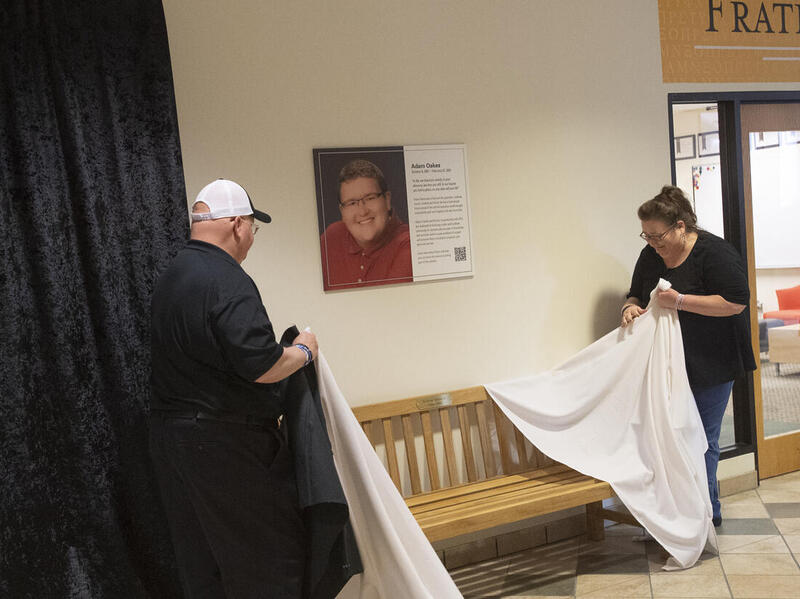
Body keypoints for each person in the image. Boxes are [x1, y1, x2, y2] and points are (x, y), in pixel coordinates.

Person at [149, 179, 318, 598]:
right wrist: (302, 352)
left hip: (173, 441)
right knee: (270, 563)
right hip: (226, 444)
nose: (251, 240)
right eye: (253, 229)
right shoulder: (227, 279)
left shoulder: (171, 276)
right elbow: (262, 365)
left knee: (205, 567)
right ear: (238, 224)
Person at [621, 185, 756, 527]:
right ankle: (675, 514)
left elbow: (735, 302)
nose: (653, 243)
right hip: (667, 362)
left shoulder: (715, 253)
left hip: (713, 361)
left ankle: (705, 515)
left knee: (701, 438)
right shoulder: (650, 255)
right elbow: (635, 293)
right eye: (647, 235)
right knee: (668, 437)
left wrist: (680, 301)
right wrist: (629, 308)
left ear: (681, 226)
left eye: (658, 236)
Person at [320, 159, 413, 290]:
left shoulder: (408, 245)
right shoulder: (332, 237)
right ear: (342, 211)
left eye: (370, 198)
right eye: (352, 203)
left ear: (387, 200)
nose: (363, 211)